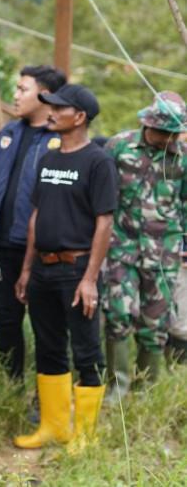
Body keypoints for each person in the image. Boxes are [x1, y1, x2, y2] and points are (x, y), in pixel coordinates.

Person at [13, 84, 117, 451]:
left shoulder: (98, 161)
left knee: (87, 351)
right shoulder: (49, 158)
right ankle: (54, 427)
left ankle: (85, 437)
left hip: (77, 270)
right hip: (43, 268)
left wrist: (90, 279)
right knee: (48, 346)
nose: (51, 112)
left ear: (80, 117)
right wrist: (26, 269)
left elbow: (105, 222)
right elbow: (35, 216)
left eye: (59, 107)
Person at [0, 65, 66, 383]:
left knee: (46, 325)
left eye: (22, 89)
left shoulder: (59, 140)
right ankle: (11, 388)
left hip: (40, 249)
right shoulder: (8, 134)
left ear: (45, 96)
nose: (15, 95)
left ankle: (47, 396)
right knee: (6, 321)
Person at [102, 92, 187, 400]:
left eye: (174, 133)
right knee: (117, 314)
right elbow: (101, 196)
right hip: (121, 247)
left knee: (156, 323)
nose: (169, 139)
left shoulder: (183, 156)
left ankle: (146, 390)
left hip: (164, 252)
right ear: (147, 124)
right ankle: (117, 387)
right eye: (164, 132)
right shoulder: (118, 146)